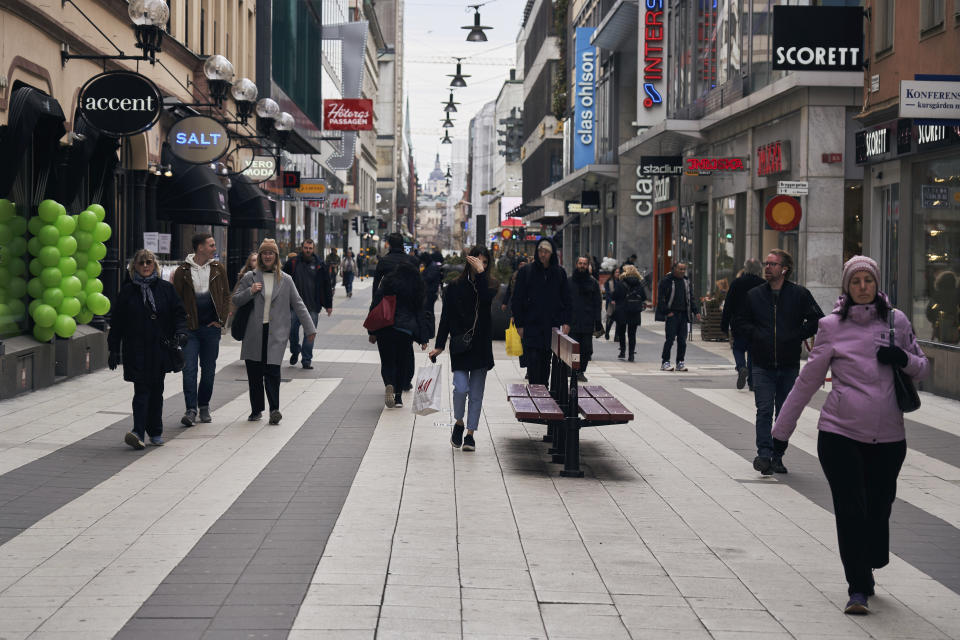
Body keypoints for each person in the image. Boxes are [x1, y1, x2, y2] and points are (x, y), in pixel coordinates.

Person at [771, 256, 928, 615]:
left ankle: (870, 560)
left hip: (889, 437)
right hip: (839, 433)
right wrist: (780, 434)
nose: (862, 287)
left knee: (879, 506)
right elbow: (807, 382)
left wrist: (901, 357)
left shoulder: (896, 322)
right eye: (855, 281)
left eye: (867, 281)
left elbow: (922, 368)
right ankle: (857, 587)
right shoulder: (831, 327)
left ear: (876, 284)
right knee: (850, 510)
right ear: (846, 286)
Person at [734, 249, 824, 475]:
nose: (768, 267)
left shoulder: (799, 294)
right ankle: (763, 455)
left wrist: (797, 335)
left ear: (784, 269)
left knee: (784, 413)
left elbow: (817, 319)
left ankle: (778, 455)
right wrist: (756, 335)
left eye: (773, 264)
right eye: (767, 263)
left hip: (788, 363)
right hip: (762, 363)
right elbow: (740, 321)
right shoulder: (755, 295)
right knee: (764, 409)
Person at [109, 249, 187, 449]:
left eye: (149, 262)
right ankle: (138, 431)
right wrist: (113, 350)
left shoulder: (165, 289)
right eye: (141, 263)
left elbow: (178, 313)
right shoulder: (127, 291)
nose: (145, 266)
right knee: (141, 390)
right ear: (134, 266)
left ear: (155, 265)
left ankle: (156, 431)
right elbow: (118, 322)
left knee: (157, 391)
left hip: (159, 349)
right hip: (135, 349)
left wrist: (180, 332)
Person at [233, 239, 317, 424]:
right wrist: (250, 291)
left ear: (276, 257)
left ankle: (274, 409)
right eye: (265, 253)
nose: (268, 256)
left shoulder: (286, 279)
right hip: (254, 332)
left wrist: (310, 328)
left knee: (273, 372)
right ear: (261, 256)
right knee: (254, 373)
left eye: (271, 253)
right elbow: (236, 299)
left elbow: (299, 304)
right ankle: (256, 410)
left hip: (276, 333)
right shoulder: (250, 277)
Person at [430, 247, 497, 452]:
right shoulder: (454, 286)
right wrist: (440, 345)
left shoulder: (490, 285)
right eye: (478, 262)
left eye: (485, 263)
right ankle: (459, 422)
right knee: (460, 388)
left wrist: (482, 275)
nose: (481, 265)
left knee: (476, 394)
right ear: (469, 261)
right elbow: (446, 317)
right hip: (460, 345)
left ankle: (470, 434)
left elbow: (485, 301)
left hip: (481, 346)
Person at [172, 233, 231, 427]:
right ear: (200, 248)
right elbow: (177, 301)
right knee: (189, 370)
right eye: (211, 245)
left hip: (211, 329)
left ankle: (204, 405)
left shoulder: (218, 268)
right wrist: (179, 326)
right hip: (190, 329)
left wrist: (221, 320)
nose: (215, 248)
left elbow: (225, 296)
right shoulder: (182, 271)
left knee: (209, 371)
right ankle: (191, 410)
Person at [511, 238, 571, 385]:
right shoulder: (526, 272)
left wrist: (567, 321)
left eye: (546, 252)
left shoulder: (559, 273)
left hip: (551, 326)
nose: (542, 255)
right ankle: (535, 393)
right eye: (540, 251)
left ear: (552, 254)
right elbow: (517, 299)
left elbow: (567, 300)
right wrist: (519, 324)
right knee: (533, 362)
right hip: (531, 325)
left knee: (545, 364)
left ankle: (543, 395)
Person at [370, 260, 429, 409]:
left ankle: (389, 383)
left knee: (387, 361)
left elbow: (376, 303)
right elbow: (420, 312)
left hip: (385, 327)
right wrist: (423, 337)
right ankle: (398, 398)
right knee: (402, 362)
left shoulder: (388, 281)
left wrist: (372, 331)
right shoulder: (416, 286)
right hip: (405, 330)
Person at [373, 233, 422, 390]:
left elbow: (376, 291)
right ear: (403, 245)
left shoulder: (383, 262)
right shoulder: (413, 262)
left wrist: (372, 328)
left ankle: (389, 382)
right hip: (406, 315)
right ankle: (404, 384)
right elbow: (419, 294)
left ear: (388, 244)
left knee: (387, 356)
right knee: (405, 354)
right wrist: (422, 330)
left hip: (386, 313)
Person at [282, 239, 333, 370]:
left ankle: (306, 360)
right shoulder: (292, 263)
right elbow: (281, 281)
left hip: (312, 306)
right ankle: (295, 350)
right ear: (302, 248)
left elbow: (327, 285)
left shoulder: (320, 265)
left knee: (310, 334)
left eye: (310, 248)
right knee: (291, 332)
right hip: (294, 307)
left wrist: (328, 305)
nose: (308, 250)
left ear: (313, 249)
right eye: (306, 248)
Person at [721, 258, 765, 390]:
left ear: (745, 268)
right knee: (753, 351)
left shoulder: (736, 283)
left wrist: (724, 324)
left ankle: (741, 367)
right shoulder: (763, 284)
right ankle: (752, 382)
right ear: (759, 270)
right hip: (757, 323)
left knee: (738, 348)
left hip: (739, 322)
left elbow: (728, 305)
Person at [655, 262, 700, 372]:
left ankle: (680, 362)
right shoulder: (666, 280)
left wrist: (695, 311)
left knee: (682, 340)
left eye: (684, 269)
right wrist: (666, 311)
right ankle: (665, 362)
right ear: (674, 268)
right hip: (672, 314)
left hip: (684, 314)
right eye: (680, 269)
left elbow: (690, 297)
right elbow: (660, 298)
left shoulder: (686, 281)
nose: (682, 271)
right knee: (670, 339)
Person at [567, 256, 602, 381]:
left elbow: (598, 303)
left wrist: (598, 321)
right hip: (572, 321)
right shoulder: (569, 282)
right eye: (580, 263)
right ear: (576, 264)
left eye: (584, 264)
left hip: (587, 321)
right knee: (574, 348)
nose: (582, 266)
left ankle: (581, 370)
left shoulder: (593, 283)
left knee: (586, 349)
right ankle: (574, 370)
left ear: (588, 266)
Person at [613, 265, 648, 361]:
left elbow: (614, 296)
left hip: (622, 311)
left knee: (621, 332)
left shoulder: (621, 283)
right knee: (632, 334)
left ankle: (622, 351)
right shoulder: (639, 284)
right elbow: (644, 297)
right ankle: (631, 355)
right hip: (634, 311)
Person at [603, 267, 621, 340]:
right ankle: (607, 332)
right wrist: (611, 300)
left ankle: (616, 336)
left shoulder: (621, 281)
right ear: (613, 273)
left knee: (619, 320)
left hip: (619, 303)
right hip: (610, 303)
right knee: (610, 319)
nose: (618, 274)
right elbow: (607, 293)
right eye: (616, 272)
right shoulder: (608, 282)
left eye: (619, 272)